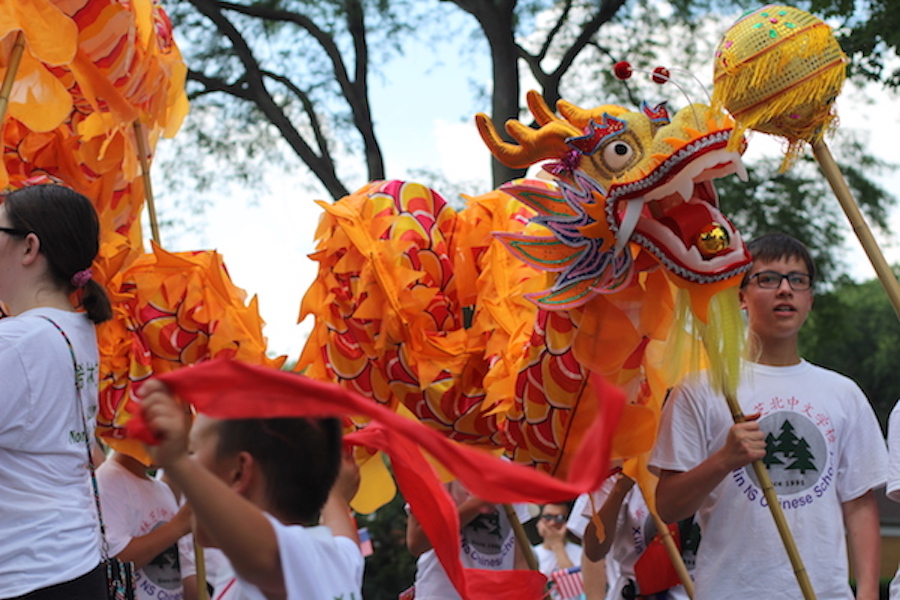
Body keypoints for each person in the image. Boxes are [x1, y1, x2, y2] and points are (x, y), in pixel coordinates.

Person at [650, 233, 887, 600]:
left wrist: (868, 592)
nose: (785, 290)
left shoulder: (844, 394)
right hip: (730, 591)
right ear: (741, 297)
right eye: (768, 279)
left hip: (823, 593)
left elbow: (858, 504)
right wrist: (724, 460)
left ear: (810, 298)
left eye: (798, 280)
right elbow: (668, 505)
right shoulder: (702, 389)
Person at [137, 378, 365, 600]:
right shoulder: (336, 561)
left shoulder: (284, 565)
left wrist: (177, 462)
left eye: (193, 451)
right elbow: (344, 538)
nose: (189, 463)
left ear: (238, 473)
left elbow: (268, 556)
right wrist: (336, 498)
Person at [0, 184, 112, 598]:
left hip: (27, 573)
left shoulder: (18, 343)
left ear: (28, 247)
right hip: (73, 562)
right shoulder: (76, 330)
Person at [572, 473, 697, 600]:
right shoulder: (616, 471)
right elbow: (593, 552)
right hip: (637, 592)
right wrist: (619, 490)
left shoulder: (709, 461)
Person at [96, 451, 197, 600]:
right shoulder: (107, 480)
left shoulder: (163, 490)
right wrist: (178, 526)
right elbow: (117, 560)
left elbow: (185, 570)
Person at [406, 480, 530, 600]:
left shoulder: (510, 470)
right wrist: (479, 503)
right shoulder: (438, 467)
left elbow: (519, 558)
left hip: (497, 593)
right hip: (443, 591)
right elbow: (417, 543)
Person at [533, 502, 581, 577]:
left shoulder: (580, 553)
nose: (552, 523)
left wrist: (557, 545)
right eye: (548, 517)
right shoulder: (532, 553)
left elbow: (575, 581)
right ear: (539, 522)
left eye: (559, 518)